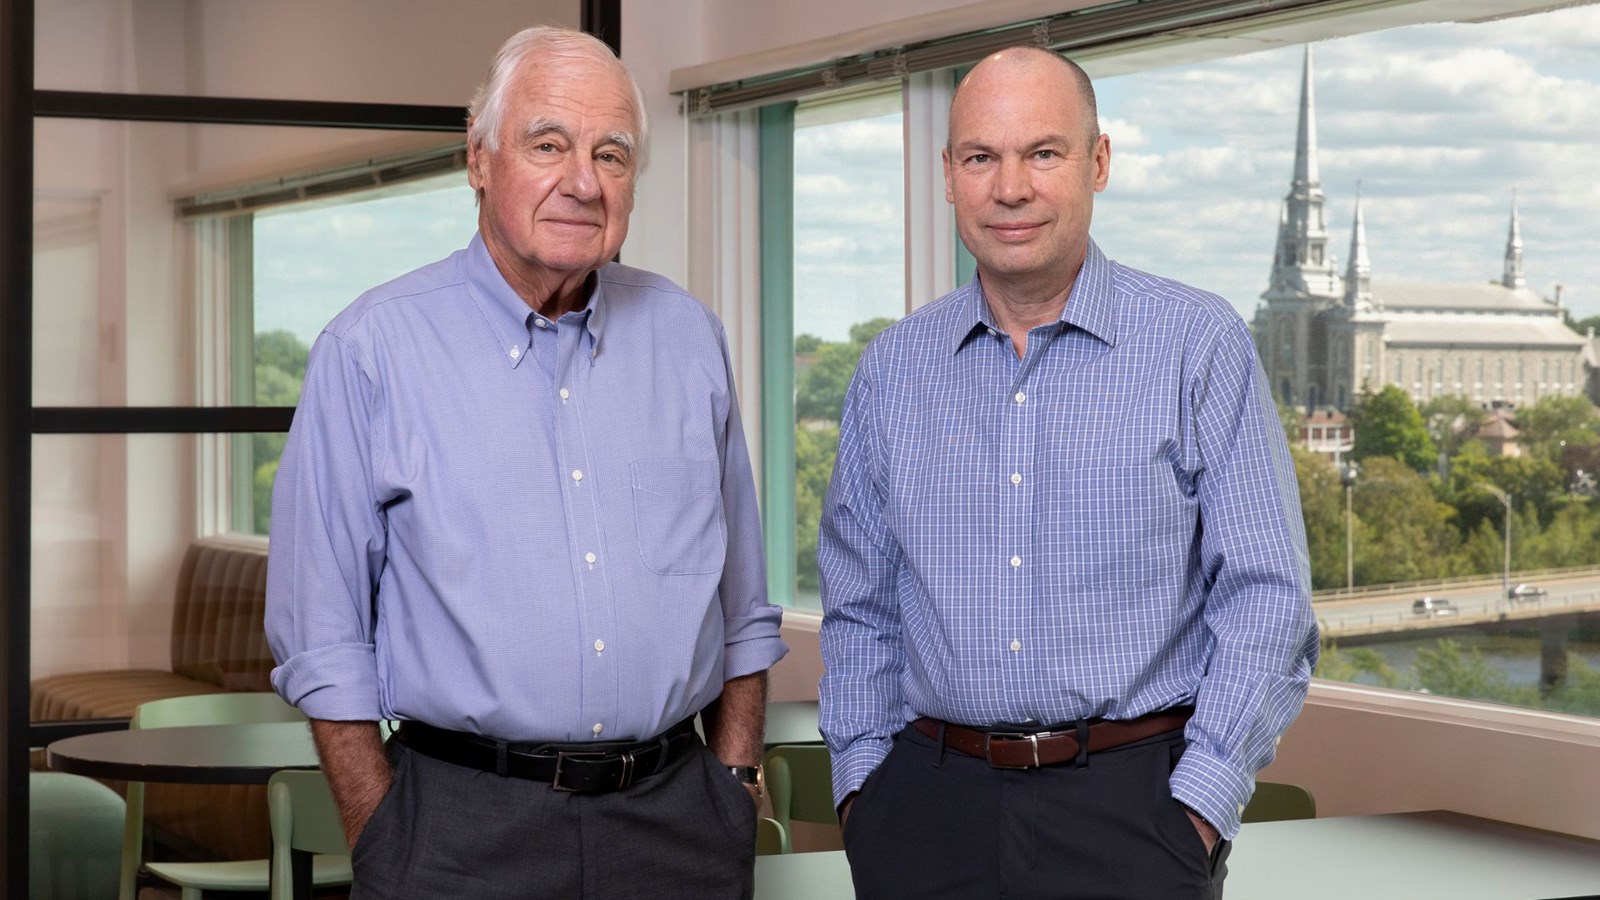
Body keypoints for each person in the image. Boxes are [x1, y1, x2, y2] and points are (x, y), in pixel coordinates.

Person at [265, 26, 786, 900]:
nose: (582, 181)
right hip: (458, 832)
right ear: (479, 158)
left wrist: (732, 781)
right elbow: (322, 634)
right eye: (548, 145)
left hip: (678, 827)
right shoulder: (371, 352)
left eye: (611, 154)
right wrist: (380, 830)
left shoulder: (691, 339)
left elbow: (743, 607)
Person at [818, 46, 1318, 899]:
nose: (1010, 187)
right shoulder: (891, 371)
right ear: (948, 176)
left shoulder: (1198, 346)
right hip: (924, 815)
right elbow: (859, 608)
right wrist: (866, 793)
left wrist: (1197, 809)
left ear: (1099, 163)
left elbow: (1268, 600)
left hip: (1135, 814)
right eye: (981, 157)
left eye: (1043, 153)